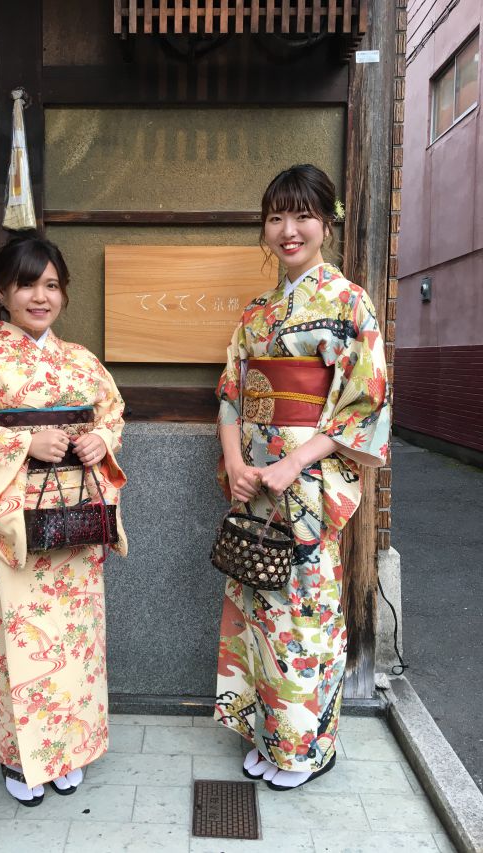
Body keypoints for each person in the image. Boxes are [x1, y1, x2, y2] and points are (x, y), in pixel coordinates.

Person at [0, 234, 127, 806]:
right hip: (14, 525)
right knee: (20, 640)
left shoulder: (81, 359)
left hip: (77, 519)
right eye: (26, 284)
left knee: (77, 640)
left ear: (64, 293)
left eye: (52, 285)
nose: (40, 297)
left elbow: (112, 413)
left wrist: (99, 440)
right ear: (0, 290)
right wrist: (22, 443)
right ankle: (22, 758)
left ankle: (71, 750)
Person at [214, 164, 390, 791]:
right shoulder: (256, 313)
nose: (288, 230)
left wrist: (292, 462)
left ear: (327, 225)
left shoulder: (347, 302)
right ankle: (267, 735)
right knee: (258, 607)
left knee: (304, 615)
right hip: (257, 484)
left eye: (302, 216)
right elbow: (232, 394)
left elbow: (363, 402)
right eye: (276, 218)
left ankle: (306, 750)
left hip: (308, 483)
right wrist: (236, 464)